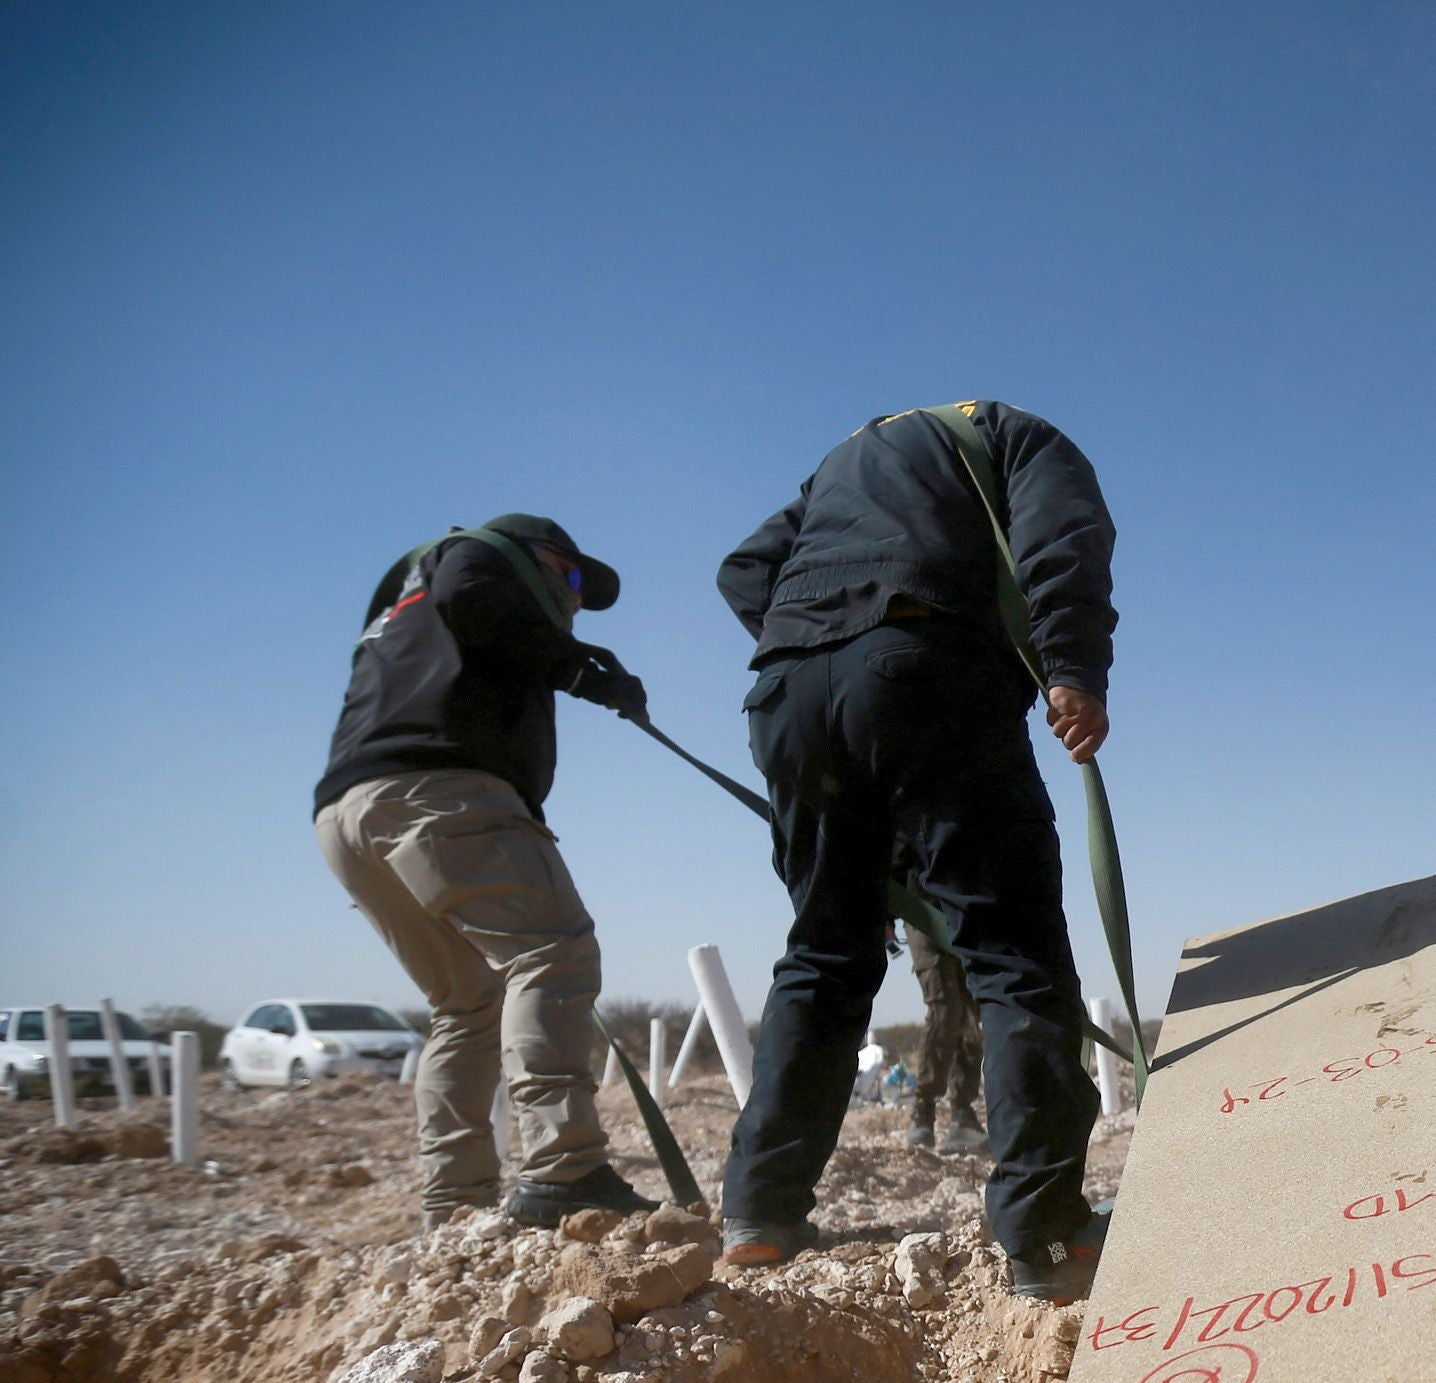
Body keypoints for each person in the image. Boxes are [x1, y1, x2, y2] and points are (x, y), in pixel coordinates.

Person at [713, 401, 1112, 1298]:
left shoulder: (842, 463)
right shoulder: (1021, 439)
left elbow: (743, 571)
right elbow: (1063, 543)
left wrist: (816, 640)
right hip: (927, 670)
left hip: (786, 698)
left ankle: (759, 1215)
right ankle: (1047, 1236)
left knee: (823, 952)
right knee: (1011, 957)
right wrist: (1071, 669)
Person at [314, 515, 658, 1233]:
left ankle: (454, 1206)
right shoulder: (473, 558)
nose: (573, 601)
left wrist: (566, 660)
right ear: (524, 557)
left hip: (349, 816)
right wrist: (574, 664)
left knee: (467, 1003)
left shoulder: (403, 609)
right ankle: (565, 1169)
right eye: (567, 579)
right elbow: (476, 593)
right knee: (551, 953)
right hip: (440, 791)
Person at [901, 918, 990, 1157]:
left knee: (972, 1014)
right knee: (944, 1009)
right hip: (921, 909)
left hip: (964, 913)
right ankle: (923, 1109)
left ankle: (962, 1114)